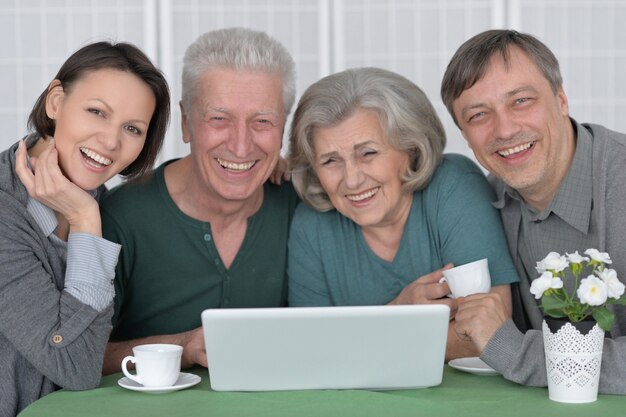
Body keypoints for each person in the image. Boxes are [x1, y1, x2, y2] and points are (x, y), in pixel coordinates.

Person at [100, 27, 299, 374]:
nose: (241, 145)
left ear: (283, 128)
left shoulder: (302, 207)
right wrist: (181, 346)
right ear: (187, 122)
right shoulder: (118, 218)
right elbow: (75, 358)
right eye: (219, 119)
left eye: (263, 121)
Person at [286, 67, 519, 361]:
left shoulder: (453, 185)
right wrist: (398, 314)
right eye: (331, 160)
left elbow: (485, 333)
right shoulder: (311, 225)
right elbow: (309, 348)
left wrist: (353, 342)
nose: (352, 179)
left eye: (367, 153)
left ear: (411, 147)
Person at [442, 29, 626, 394]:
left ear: (561, 100)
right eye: (478, 115)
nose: (506, 129)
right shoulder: (482, 203)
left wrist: (512, 350)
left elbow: (504, 346)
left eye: (521, 100)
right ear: (464, 134)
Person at [0, 41, 170, 417]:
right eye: (97, 112)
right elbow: (77, 368)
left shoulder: (99, 199)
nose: (110, 141)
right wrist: (86, 222)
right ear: (56, 102)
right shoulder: (8, 212)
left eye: (132, 128)